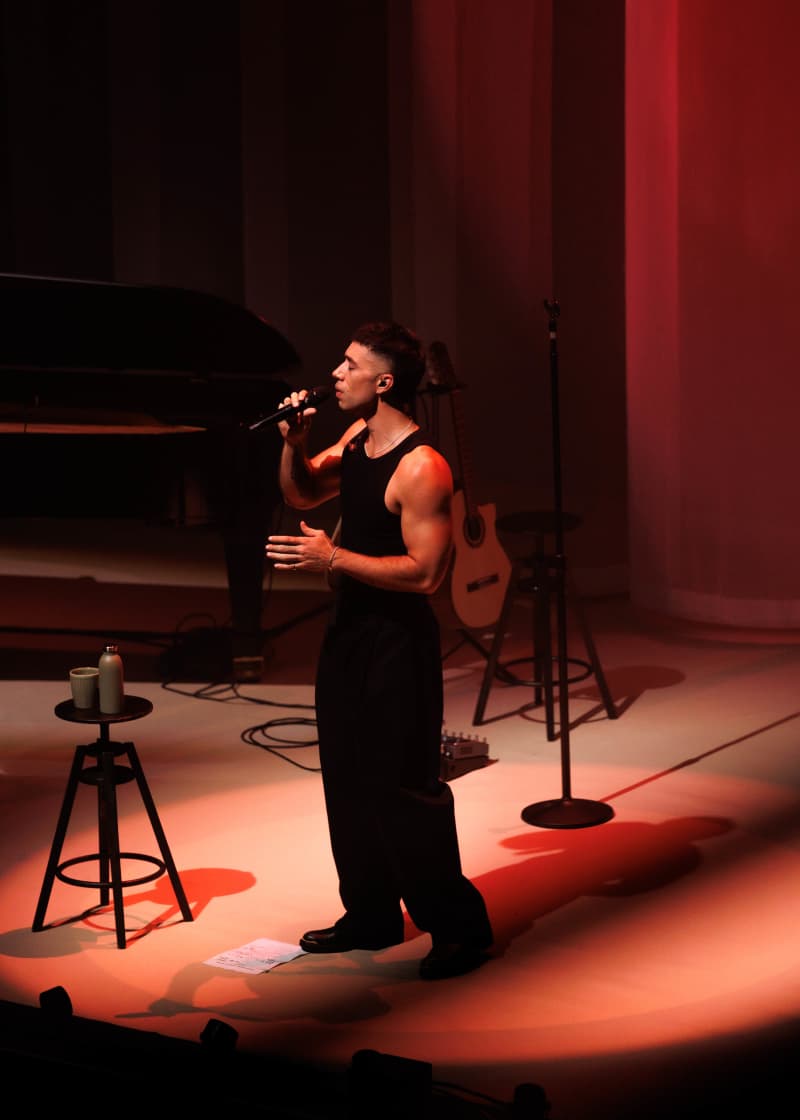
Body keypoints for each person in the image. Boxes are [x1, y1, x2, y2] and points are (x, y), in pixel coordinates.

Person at [265, 321, 493, 981]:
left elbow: (426, 574)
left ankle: (458, 929)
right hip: (350, 631)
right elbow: (303, 491)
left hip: (398, 642)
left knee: (404, 788)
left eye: (349, 364)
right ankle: (369, 914)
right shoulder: (356, 440)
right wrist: (294, 441)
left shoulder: (423, 467)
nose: (335, 373)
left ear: (384, 382)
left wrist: (331, 556)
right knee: (346, 777)